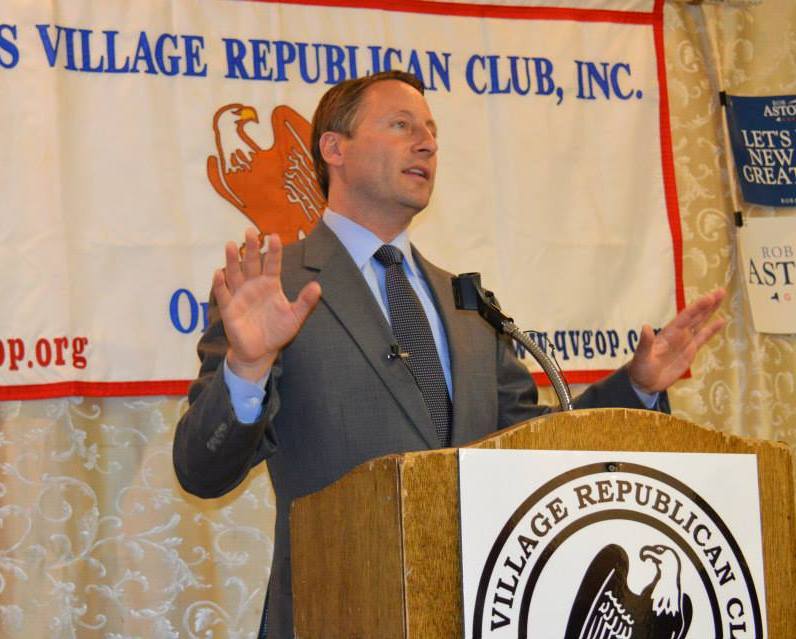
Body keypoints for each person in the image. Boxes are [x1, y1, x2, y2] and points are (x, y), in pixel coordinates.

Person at [173, 70, 725, 638]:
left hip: (481, 613)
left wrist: (636, 386)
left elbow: (537, 445)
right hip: (338, 612)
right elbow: (201, 471)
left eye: (432, 131)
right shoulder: (275, 288)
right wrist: (248, 368)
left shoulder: (467, 304)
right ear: (334, 148)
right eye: (401, 125)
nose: (427, 144)